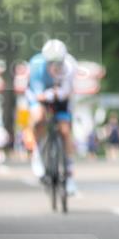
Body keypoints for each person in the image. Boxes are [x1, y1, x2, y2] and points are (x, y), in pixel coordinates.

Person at [25, 39, 79, 196]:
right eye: (50, 63)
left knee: (65, 130)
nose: (54, 66)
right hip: (39, 93)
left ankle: (69, 176)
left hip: (61, 94)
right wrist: (49, 94)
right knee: (39, 117)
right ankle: (37, 153)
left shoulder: (70, 66)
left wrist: (56, 94)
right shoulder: (36, 66)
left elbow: (68, 92)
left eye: (58, 63)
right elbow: (38, 95)